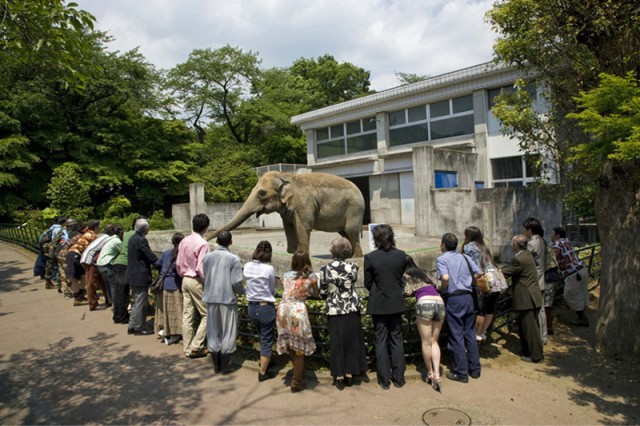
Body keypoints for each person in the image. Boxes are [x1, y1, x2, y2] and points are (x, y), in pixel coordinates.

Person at [364, 224, 409, 389]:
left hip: (378, 301)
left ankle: (384, 380)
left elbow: (368, 283)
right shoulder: (401, 255)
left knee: (380, 340)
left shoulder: (370, 258)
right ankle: (399, 378)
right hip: (396, 300)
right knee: (397, 338)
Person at [319, 237, 367, 390]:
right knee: (352, 341)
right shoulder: (353, 267)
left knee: (337, 342)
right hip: (351, 306)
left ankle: (338, 375)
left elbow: (323, 292)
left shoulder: (324, 269)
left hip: (334, 308)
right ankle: (350, 373)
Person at [436, 232, 482, 384]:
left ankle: (461, 372)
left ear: (443, 244)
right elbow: (479, 273)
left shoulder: (442, 259)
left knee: (456, 335)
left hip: (454, 298)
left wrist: (442, 290)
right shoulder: (465, 257)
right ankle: (475, 369)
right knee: (470, 333)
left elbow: (445, 278)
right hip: (468, 297)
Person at [201, 230, 245, 374]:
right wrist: (245, 292)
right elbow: (236, 282)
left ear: (217, 241)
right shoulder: (233, 259)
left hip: (211, 297)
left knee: (213, 331)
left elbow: (205, 276)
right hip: (227, 298)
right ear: (230, 242)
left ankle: (216, 364)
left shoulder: (207, 257)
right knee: (228, 331)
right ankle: (226, 365)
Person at [276, 251, 319, 393]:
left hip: (283, 310)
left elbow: (287, 290)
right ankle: (296, 381)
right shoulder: (311, 276)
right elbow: (316, 293)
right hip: (297, 312)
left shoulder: (286, 275)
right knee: (300, 348)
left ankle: (295, 371)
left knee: (290, 343)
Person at [501, 234, 544, 363]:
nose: (510, 245)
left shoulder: (519, 259)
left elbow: (507, 271)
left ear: (515, 245)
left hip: (526, 297)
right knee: (527, 327)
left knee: (530, 329)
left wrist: (495, 270)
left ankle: (536, 356)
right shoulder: (527, 254)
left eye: (512, 243)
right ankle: (528, 351)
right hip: (531, 296)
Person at [405, 256, 445, 392]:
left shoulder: (406, 276)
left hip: (424, 302)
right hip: (439, 302)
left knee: (426, 342)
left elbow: (406, 291)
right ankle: (438, 375)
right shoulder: (424, 272)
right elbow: (437, 285)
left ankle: (430, 373)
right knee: (434, 341)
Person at [176, 213, 211, 358]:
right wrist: (207, 282)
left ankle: (187, 347)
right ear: (206, 227)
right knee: (207, 314)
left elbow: (178, 263)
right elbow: (200, 267)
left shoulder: (184, 241)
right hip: (196, 280)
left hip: (185, 278)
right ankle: (196, 346)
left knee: (187, 314)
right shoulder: (203, 244)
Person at [243, 240, 277, 382]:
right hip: (265, 307)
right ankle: (262, 372)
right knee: (266, 339)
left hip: (252, 307)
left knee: (262, 336)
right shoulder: (269, 269)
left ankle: (266, 360)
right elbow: (272, 289)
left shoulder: (247, 266)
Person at [461, 226, 501, 343]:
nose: (463, 237)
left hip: (484, 281)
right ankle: (482, 332)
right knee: (490, 309)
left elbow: (470, 265)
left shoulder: (469, 247)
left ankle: (476, 334)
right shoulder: (483, 246)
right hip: (495, 279)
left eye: (465, 234)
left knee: (480, 310)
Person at [523, 217, 554, 344]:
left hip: (535, 280)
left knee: (537, 310)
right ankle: (543, 336)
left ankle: (539, 337)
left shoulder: (532, 243)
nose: (524, 232)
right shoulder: (542, 241)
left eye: (525, 229)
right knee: (541, 310)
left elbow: (525, 261)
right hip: (541, 279)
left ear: (529, 229)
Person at [551, 227, 590, 327]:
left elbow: (553, 256)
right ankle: (582, 316)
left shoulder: (558, 243)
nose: (551, 236)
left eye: (552, 234)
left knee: (569, 295)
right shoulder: (567, 241)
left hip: (573, 274)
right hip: (581, 270)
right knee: (582, 294)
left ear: (557, 235)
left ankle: (582, 318)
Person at [125, 219, 158, 335]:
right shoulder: (141, 240)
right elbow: (149, 255)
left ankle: (132, 325)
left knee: (136, 301)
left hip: (133, 273)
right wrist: (159, 263)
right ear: (145, 229)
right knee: (141, 303)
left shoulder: (132, 238)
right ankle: (139, 327)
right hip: (140, 274)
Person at [111, 216, 145, 325]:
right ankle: (123, 317)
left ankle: (117, 316)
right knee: (123, 292)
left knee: (118, 292)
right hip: (124, 264)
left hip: (118, 263)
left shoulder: (127, 233)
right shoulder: (137, 235)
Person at [155, 232, 185, 345]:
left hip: (162, 285)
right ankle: (174, 334)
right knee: (176, 311)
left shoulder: (166, 252)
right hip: (174, 285)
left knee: (164, 310)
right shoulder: (180, 254)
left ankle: (163, 330)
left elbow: (157, 264)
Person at [67, 221, 100, 306]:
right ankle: (77, 297)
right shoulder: (92, 235)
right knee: (75, 277)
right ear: (95, 227)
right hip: (75, 254)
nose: (99, 229)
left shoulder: (87, 233)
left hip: (74, 254)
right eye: (98, 227)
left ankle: (80, 296)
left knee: (82, 276)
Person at [96, 225, 124, 306]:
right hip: (106, 264)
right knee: (113, 285)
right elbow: (123, 251)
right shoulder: (117, 241)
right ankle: (116, 305)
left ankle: (110, 301)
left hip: (100, 264)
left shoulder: (110, 239)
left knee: (107, 284)